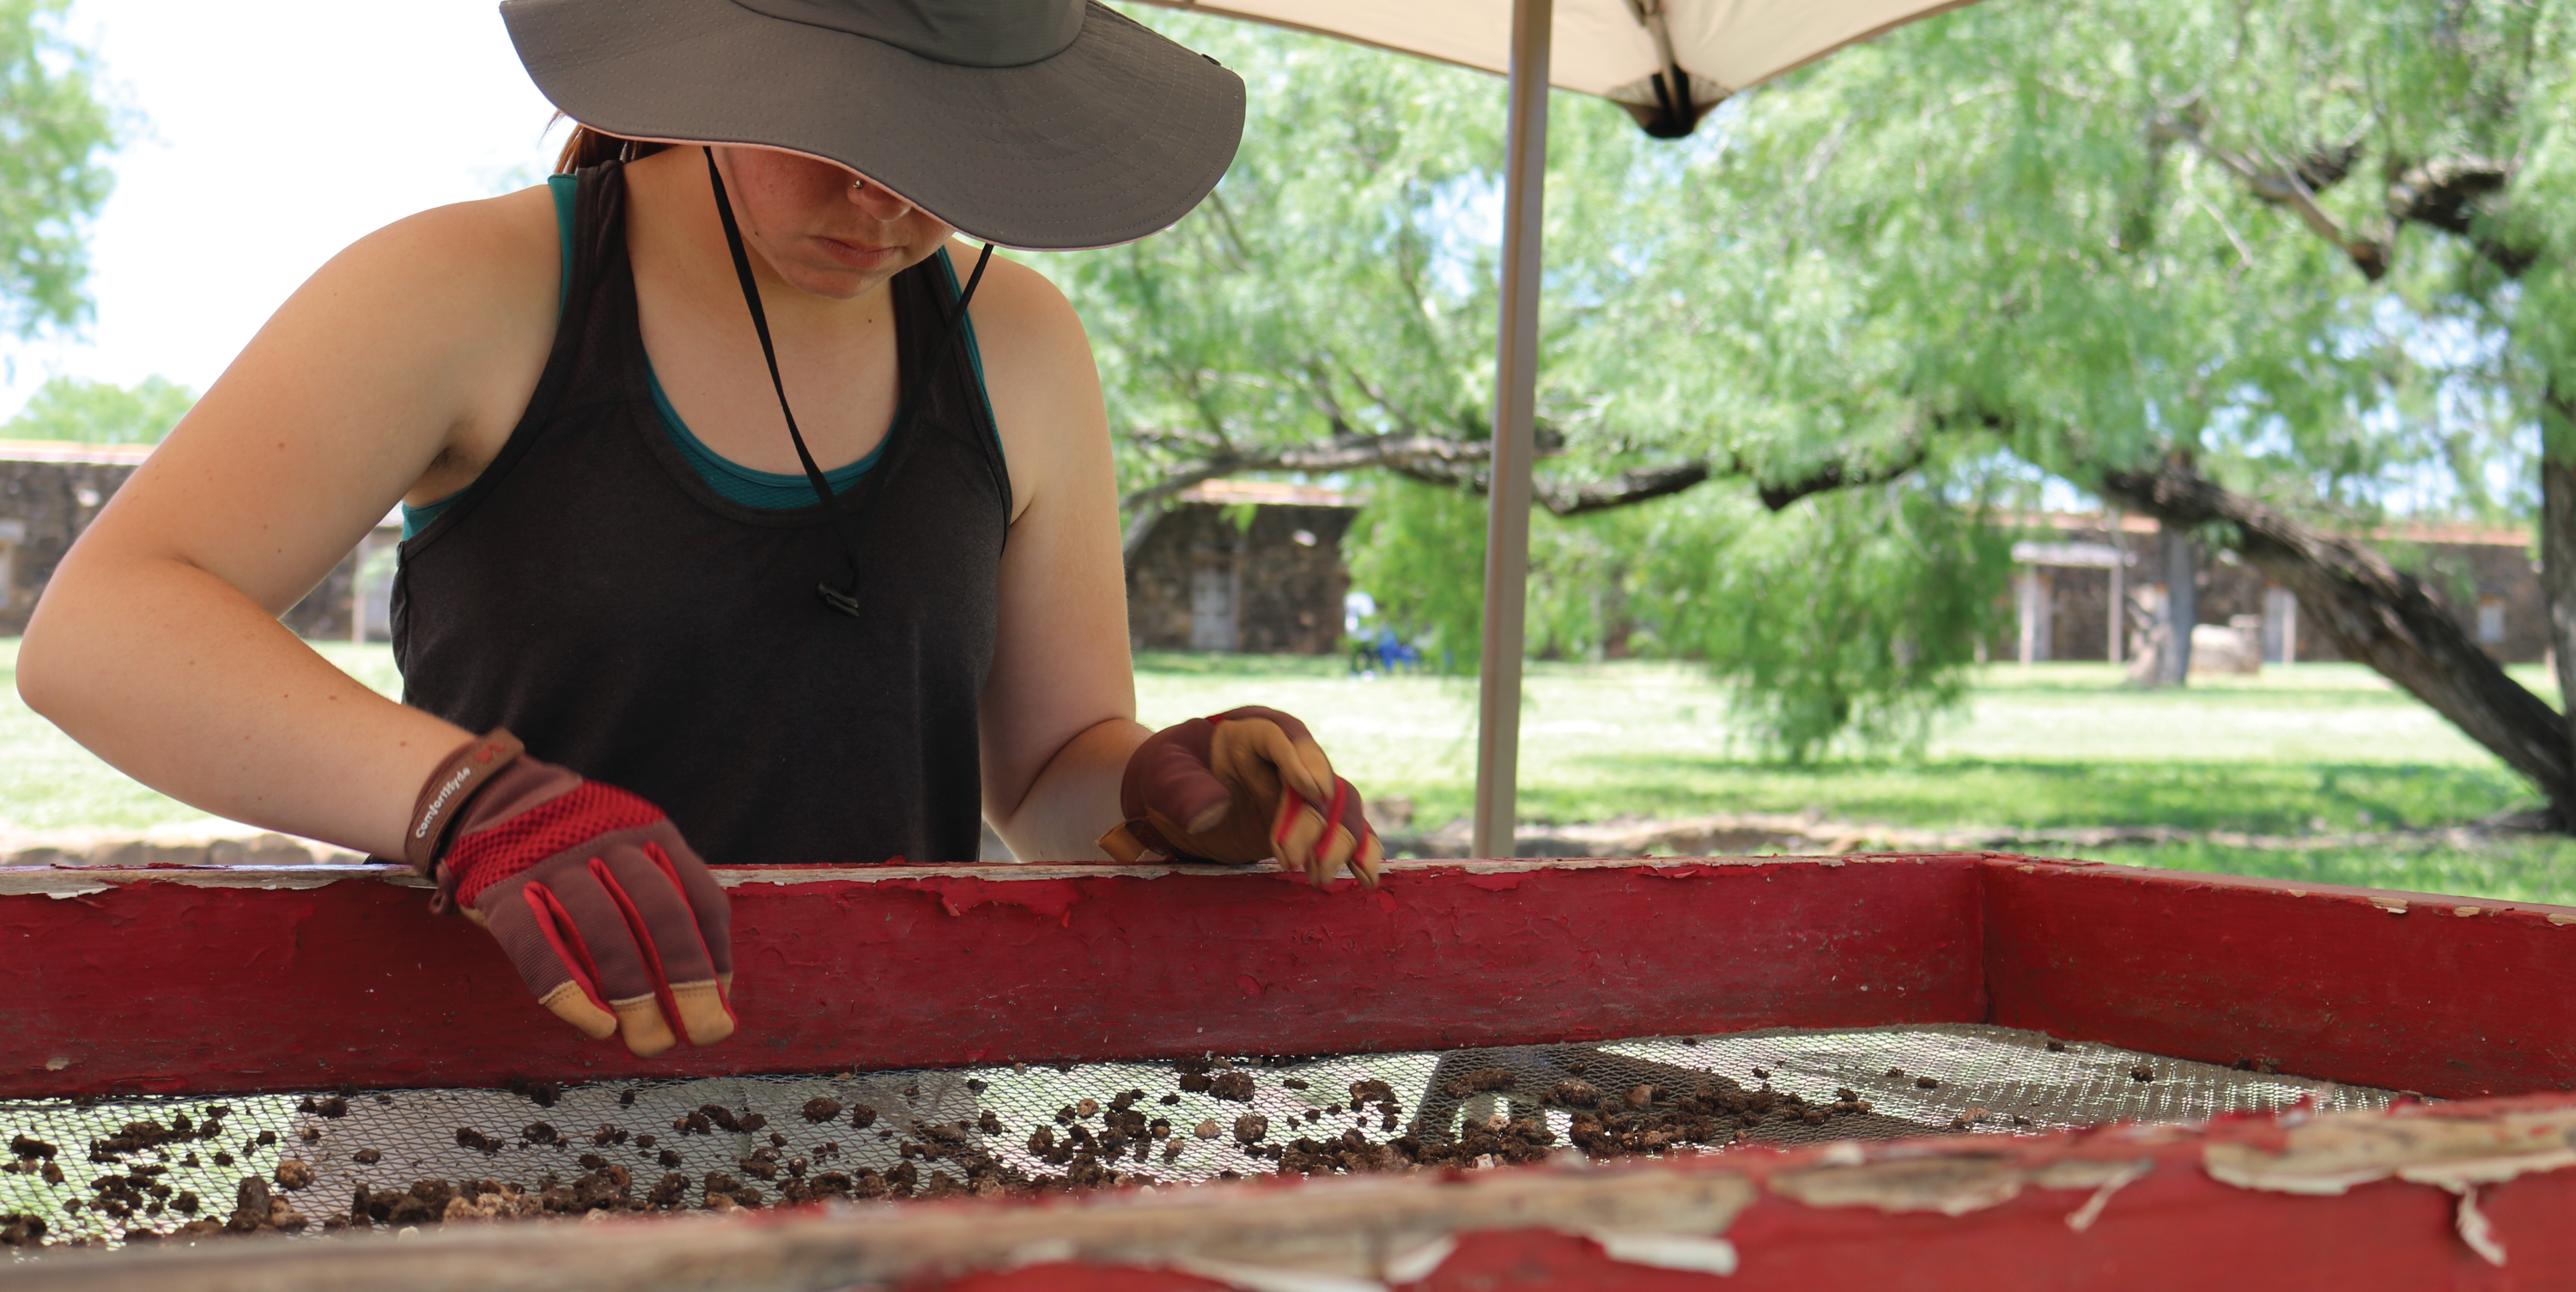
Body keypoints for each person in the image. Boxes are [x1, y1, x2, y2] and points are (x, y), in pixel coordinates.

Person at [15, 0, 1382, 1060]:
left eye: (948, 152)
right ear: (725, 57)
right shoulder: (476, 285)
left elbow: (1041, 778)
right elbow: (105, 629)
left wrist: (1168, 792)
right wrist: (466, 805)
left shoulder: (1017, 342)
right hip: (471, 1112)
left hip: (887, 1116)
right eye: (854, 136)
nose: (891, 206)